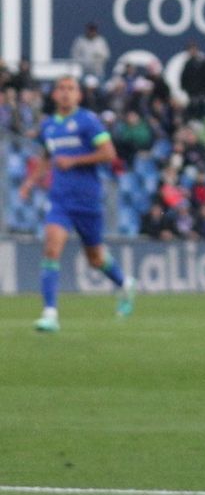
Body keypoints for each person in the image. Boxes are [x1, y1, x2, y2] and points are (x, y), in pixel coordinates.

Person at [16, 76, 136, 331]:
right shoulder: (49, 126)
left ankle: (125, 284)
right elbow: (47, 158)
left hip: (88, 200)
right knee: (51, 249)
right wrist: (29, 183)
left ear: (79, 95)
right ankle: (50, 314)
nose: (66, 93)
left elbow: (108, 153)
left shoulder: (88, 121)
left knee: (95, 258)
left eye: (71, 89)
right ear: (54, 95)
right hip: (60, 199)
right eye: (61, 88)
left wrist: (74, 161)